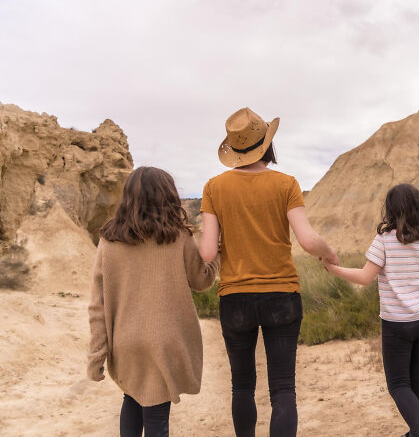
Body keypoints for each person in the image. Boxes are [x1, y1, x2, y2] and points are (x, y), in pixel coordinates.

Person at [198, 107, 338, 437]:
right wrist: (329, 253)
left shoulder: (214, 188)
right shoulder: (286, 184)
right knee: (283, 389)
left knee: (242, 387)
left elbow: (206, 252)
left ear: (233, 148)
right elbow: (307, 240)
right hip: (282, 296)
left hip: (235, 297)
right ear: (267, 143)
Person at [87, 166, 220, 437]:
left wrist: (96, 355)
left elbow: (97, 305)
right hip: (164, 340)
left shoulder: (108, 240)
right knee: (157, 417)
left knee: (132, 400)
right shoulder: (178, 236)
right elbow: (201, 281)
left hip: (125, 342)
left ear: (127, 197)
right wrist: (218, 253)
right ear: (168, 196)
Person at [323, 183, 419, 437]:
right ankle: (417, 434)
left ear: (391, 210)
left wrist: (334, 269)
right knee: (418, 380)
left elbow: (365, 277)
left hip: (397, 325)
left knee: (399, 384)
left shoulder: (385, 241)